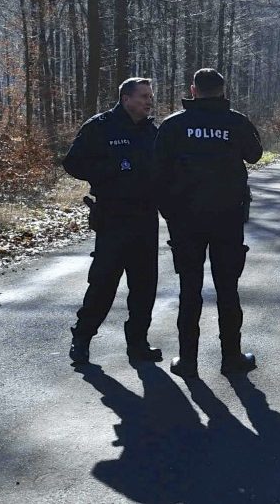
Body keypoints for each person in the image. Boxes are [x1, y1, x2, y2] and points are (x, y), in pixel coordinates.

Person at [154, 68, 263, 377]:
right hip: (227, 219)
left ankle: (187, 361)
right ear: (223, 90)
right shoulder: (236, 121)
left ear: (193, 90)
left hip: (185, 221)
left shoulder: (174, 125)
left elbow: (157, 173)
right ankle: (232, 359)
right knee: (228, 289)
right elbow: (255, 154)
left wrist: (170, 213)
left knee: (190, 290)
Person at [63, 78, 164, 365]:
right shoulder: (100, 126)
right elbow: (72, 163)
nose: (149, 101)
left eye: (150, 96)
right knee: (104, 282)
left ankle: (138, 345)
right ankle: (82, 338)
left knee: (145, 286)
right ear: (125, 98)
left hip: (145, 217)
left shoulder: (151, 131)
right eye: (144, 96)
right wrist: (109, 170)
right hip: (113, 216)